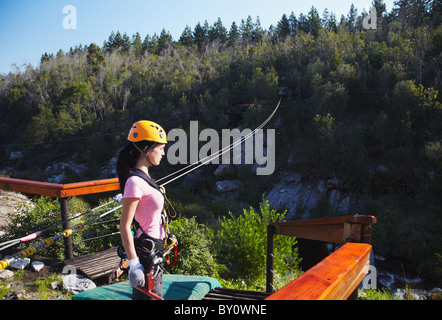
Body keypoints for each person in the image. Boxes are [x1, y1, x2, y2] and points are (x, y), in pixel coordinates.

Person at [117, 120, 168, 300]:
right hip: (145, 255)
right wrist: (134, 264)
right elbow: (124, 226)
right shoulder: (135, 182)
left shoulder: (144, 178)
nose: (163, 153)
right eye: (160, 148)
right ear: (146, 149)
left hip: (153, 252)